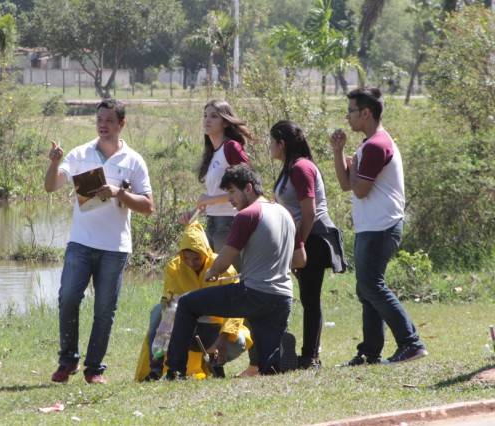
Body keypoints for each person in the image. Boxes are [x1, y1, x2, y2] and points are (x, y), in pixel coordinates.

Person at [44, 98, 153, 384]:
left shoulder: (134, 161)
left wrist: (119, 193)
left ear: (121, 124)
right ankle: (68, 361)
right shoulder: (80, 154)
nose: (103, 125)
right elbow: (51, 186)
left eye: (109, 121)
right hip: (80, 242)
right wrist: (54, 163)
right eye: (99, 120)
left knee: (104, 309)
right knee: (68, 297)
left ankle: (94, 369)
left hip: (115, 247)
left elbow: (147, 206)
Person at [164, 164, 298, 379]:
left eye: (232, 192)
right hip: (283, 297)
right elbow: (301, 258)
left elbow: (223, 263)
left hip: (254, 293)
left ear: (248, 188)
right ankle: (276, 361)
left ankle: (175, 371)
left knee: (188, 303)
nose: (230, 199)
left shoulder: (247, 215)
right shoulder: (285, 213)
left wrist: (211, 273)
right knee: (268, 366)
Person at [330, 87, 427, 366]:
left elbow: (359, 191)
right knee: (366, 288)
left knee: (372, 285)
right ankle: (370, 352)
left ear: (366, 113)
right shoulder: (367, 144)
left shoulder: (376, 145)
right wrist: (339, 152)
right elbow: (347, 184)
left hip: (381, 227)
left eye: (350, 111)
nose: (347, 117)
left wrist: (354, 163)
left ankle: (411, 343)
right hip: (370, 227)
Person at [269, 120, 347, 369]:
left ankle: (310, 356)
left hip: (313, 237)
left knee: (310, 298)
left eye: (272, 141)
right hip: (303, 238)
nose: (269, 146)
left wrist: (298, 245)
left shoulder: (301, 168)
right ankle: (307, 354)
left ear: (282, 143)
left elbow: (310, 212)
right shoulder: (291, 167)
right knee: (306, 296)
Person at [134, 221, 252, 382]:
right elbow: (169, 305)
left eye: (196, 258)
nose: (191, 263)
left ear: (206, 252)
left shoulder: (223, 267)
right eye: (187, 258)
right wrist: (166, 336)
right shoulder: (174, 267)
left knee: (238, 341)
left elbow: (235, 308)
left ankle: (215, 363)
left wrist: (223, 338)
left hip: (214, 327)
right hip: (184, 325)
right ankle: (156, 368)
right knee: (157, 313)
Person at [178, 99, 253, 260]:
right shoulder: (212, 153)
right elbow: (214, 194)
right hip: (212, 223)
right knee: (215, 278)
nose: (207, 120)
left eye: (213, 116)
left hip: (230, 222)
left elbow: (248, 188)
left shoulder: (231, 147)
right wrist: (195, 211)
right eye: (205, 115)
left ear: (225, 122)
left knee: (230, 277)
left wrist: (210, 199)